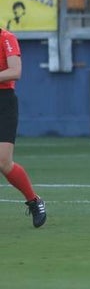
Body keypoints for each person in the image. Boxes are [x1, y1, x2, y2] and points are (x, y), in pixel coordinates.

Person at [0, 25, 47, 228]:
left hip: (4, 102)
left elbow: (15, 71)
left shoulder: (6, 38)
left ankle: (34, 201)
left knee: (3, 162)